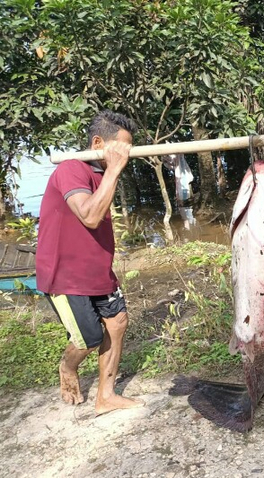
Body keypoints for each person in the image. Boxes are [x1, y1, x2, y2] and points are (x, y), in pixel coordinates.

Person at [36, 110, 144, 415]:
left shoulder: (100, 175)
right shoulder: (70, 169)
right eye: (119, 148)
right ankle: (67, 367)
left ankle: (105, 396)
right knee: (90, 337)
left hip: (98, 271)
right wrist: (113, 170)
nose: (124, 156)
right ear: (98, 142)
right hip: (65, 276)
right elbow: (90, 215)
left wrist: (110, 171)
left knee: (118, 323)